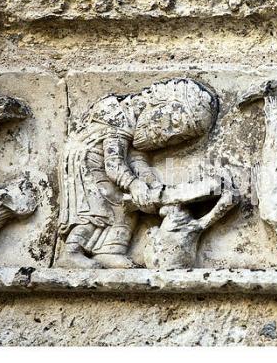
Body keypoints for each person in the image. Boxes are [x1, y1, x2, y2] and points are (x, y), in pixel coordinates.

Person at [57, 78, 218, 268]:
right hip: (87, 162)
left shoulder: (138, 129)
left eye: (179, 137)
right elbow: (114, 163)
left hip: (108, 165)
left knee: (129, 207)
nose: (170, 135)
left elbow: (137, 161)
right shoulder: (116, 113)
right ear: (161, 103)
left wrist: (154, 186)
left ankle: (109, 251)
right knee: (96, 208)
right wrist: (134, 185)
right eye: (173, 123)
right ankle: (71, 251)